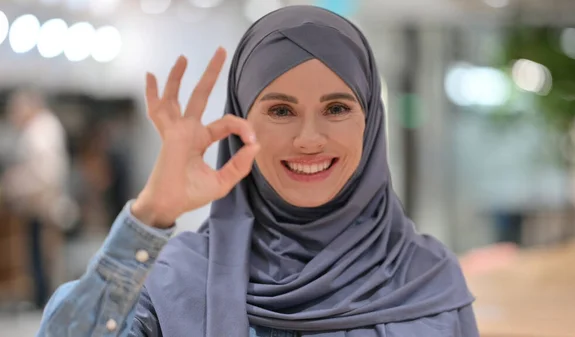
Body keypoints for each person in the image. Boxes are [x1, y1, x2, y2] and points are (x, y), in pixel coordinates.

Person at [36, 6, 478, 337]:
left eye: (337, 108)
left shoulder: (429, 275)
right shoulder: (177, 280)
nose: (309, 138)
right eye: (281, 110)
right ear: (241, 123)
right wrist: (150, 215)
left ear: (371, 122)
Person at [1, 88, 70, 309]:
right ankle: (42, 299)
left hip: (43, 205)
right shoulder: (42, 127)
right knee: (40, 257)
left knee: (43, 257)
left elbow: (46, 173)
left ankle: (43, 301)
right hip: (38, 204)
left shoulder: (41, 129)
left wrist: (14, 185)